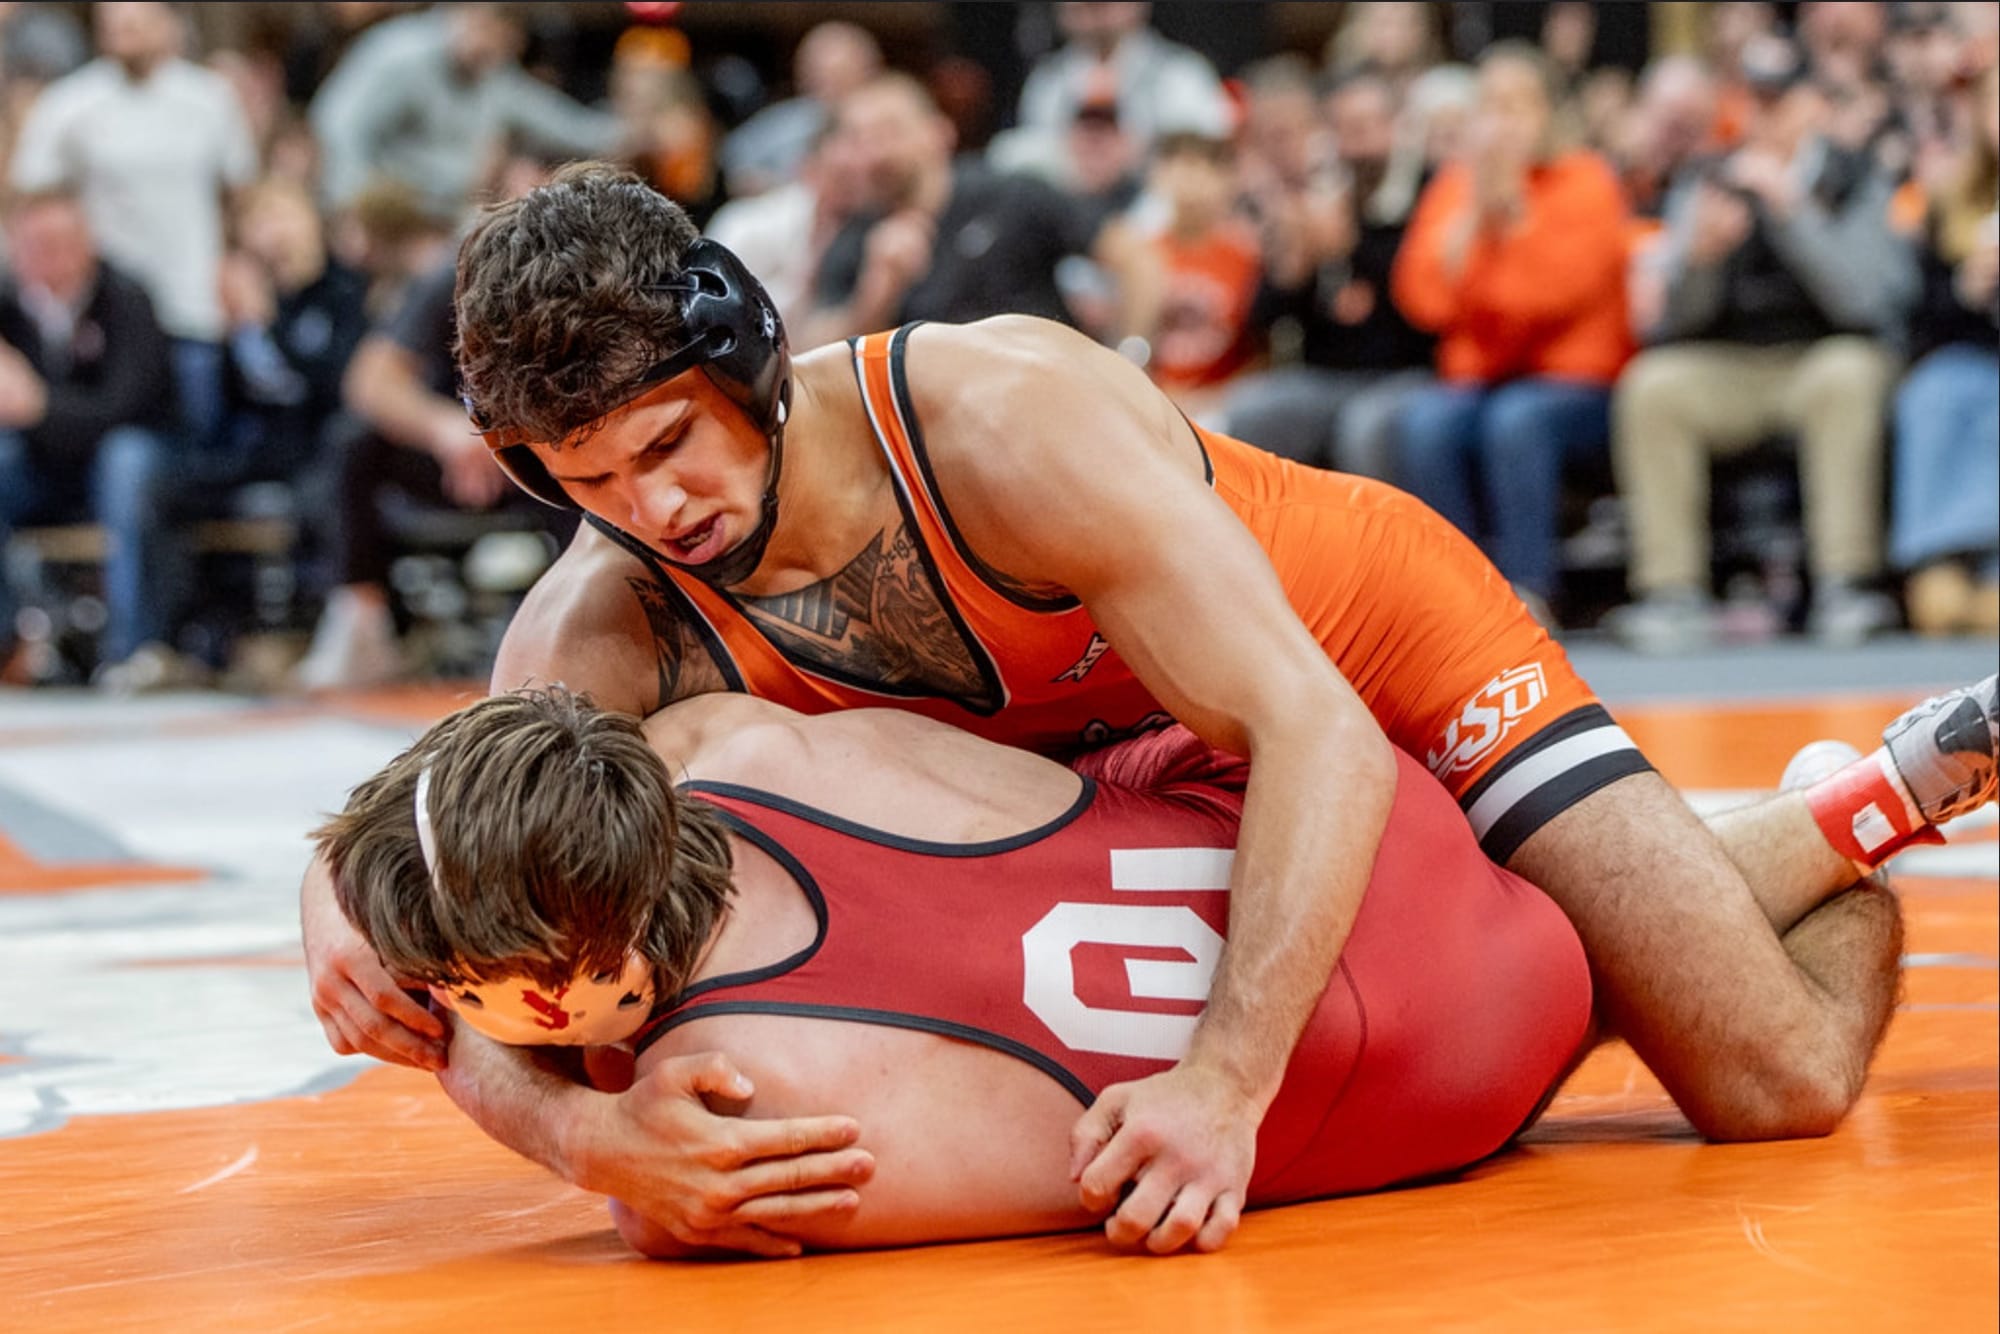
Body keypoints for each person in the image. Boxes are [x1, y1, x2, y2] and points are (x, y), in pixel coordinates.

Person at [302, 162, 1994, 1257]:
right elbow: (433, 868)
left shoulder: (992, 421)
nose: (652, 506)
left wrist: (1223, 1081)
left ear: (742, 357)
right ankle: (1707, 868)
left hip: (1355, 654)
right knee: (1500, 984)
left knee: (1769, 1077)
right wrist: (589, 1129)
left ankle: (1842, 824)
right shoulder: (603, 611)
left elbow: (1315, 729)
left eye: (669, 446)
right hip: (1137, 769)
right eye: (589, 480)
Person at [319, 685, 1595, 1256]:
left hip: (1420, 1076)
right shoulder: (731, 739)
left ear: (545, 996)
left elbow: (607, 1153)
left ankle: (1800, 833)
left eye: (453, 985)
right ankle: (1804, 824)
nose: (438, 1007)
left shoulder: (702, 1135)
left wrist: (580, 1135)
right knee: (1122, 784)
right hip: (1350, 829)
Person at [1606, 36, 1916, 652]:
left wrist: (1792, 211)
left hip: (1823, 359)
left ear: (1813, 104)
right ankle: (1673, 593)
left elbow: (1872, 301)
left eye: (1783, 99)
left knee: (1850, 375)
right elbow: (1667, 323)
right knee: (1652, 386)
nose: (1768, 113)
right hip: (1736, 369)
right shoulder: (1709, 177)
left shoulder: (1856, 176)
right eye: (1758, 99)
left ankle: (1845, 583)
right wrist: (1700, 261)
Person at [1391, 41, 1635, 621]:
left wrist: (1515, 219)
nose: (1501, 123)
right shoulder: (1458, 186)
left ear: (1551, 112)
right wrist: (1479, 214)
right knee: (1424, 424)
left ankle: (1529, 592)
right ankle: (1461, 597)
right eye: (1490, 106)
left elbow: (1553, 294)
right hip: (1485, 381)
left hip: (1576, 384)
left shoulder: (1587, 181)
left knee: (1517, 421)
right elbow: (1421, 297)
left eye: (1517, 106)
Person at [9, 0, 259, 451]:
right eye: (116, 25)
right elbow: (33, 193)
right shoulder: (71, 103)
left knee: (193, 437)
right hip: (104, 307)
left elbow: (238, 193)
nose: (127, 34)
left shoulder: (209, 98)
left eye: (138, 23)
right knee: (110, 434)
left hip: (191, 297)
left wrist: (236, 263)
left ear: (169, 24)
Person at [0, 188, 179, 684]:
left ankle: (134, 650)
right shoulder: (8, 300)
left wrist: (39, 406)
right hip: (40, 466)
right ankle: (7, 646)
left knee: (129, 459)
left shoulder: (126, 298)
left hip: (122, 460)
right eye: (32, 243)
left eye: (57, 242)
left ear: (87, 243)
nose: (45, 256)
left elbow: (125, 407)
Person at [1890, 58, 1998, 637]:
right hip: (1971, 359)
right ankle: (1939, 561)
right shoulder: (1951, 198)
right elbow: (1922, 322)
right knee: (1933, 392)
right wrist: (1964, 290)